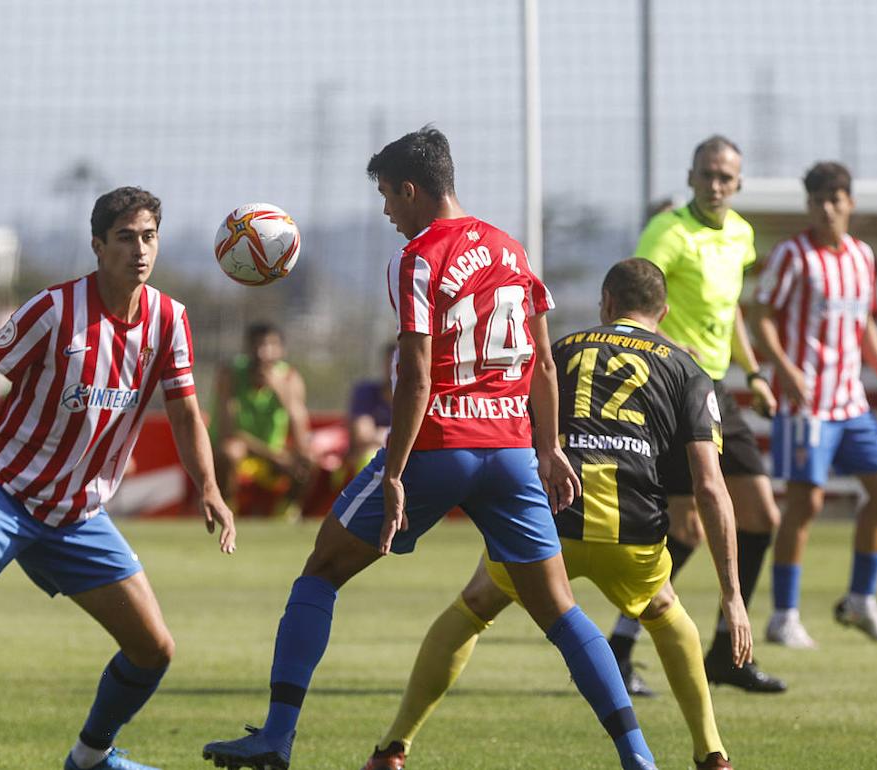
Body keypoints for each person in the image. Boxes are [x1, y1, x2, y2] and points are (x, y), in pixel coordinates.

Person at [203, 126, 657, 770]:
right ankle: (638, 757)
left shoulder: (417, 258)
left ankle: (276, 737)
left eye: (389, 196)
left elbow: (416, 375)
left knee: (322, 569)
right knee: (560, 611)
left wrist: (393, 473)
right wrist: (549, 449)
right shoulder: (511, 249)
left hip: (440, 446)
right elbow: (545, 368)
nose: (387, 211)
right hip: (511, 450)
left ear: (412, 190)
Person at [0, 187, 237, 770]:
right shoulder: (56, 309)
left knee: (153, 650)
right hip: (4, 489)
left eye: (149, 237)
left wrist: (209, 487)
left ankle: (90, 756)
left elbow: (185, 412)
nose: (140, 250)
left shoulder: (170, 320)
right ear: (98, 245)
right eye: (127, 237)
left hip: (79, 515)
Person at [359, 259, 750, 770]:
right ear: (665, 312)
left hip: (550, 521)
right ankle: (712, 753)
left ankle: (394, 747)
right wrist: (732, 597)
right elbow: (710, 486)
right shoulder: (687, 367)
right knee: (664, 609)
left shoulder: (559, 350)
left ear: (606, 303)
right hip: (631, 531)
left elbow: (508, 432)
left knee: (475, 604)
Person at [613, 135, 785, 694]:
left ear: (738, 183)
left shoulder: (740, 234)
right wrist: (671, 349)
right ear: (690, 176)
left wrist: (754, 370)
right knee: (686, 526)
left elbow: (730, 308)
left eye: (726, 177)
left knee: (760, 515)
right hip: (673, 386)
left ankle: (725, 656)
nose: (716, 184)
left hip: (719, 388)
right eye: (707, 174)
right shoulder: (668, 231)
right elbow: (634, 297)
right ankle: (619, 645)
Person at [752, 161, 877, 648]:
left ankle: (861, 601)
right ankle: (784, 616)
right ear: (809, 205)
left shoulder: (863, 256)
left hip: (852, 402)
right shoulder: (793, 255)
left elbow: (863, 323)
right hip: (807, 406)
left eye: (835, 199)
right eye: (817, 199)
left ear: (850, 203)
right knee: (805, 504)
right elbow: (759, 314)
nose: (826, 208)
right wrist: (784, 368)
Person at [212, 322, 313, 518]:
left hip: (275, 455)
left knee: (309, 460)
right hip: (245, 455)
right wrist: (272, 456)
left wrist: (281, 392)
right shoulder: (230, 375)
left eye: (269, 346)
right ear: (247, 349)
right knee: (229, 452)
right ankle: (226, 510)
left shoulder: (290, 377)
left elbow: (301, 433)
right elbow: (228, 433)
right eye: (256, 346)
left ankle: (285, 515)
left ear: (281, 350)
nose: (262, 353)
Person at [342, 342, 395, 475]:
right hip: (365, 456)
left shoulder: (421, 398)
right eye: (391, 363)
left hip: (403, 458)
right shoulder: (366, 392)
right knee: (370, 458)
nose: (394, 369)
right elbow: (363, 435)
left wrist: (384, 434)